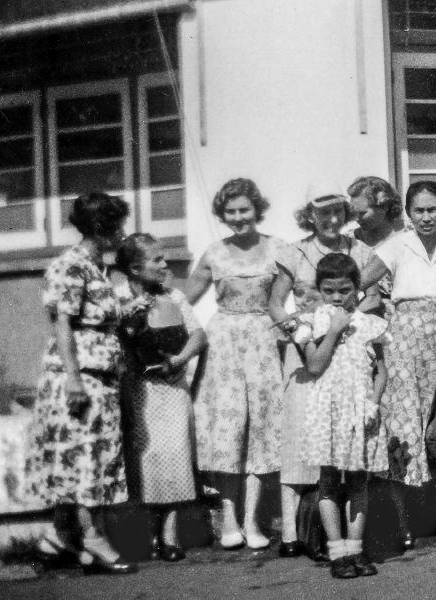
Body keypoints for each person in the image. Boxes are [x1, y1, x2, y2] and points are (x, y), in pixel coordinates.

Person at [24, 192, 137, 575]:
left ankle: (61, 538)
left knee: (84, 457)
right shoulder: (69, 265)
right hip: (80, 377)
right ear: (102, 229)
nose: (123, 234)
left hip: (100, 376)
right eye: (118, 227)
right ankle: (92, 538)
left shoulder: (95, 266)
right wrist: (74, 379)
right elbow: (62, 323)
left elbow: (97, 316)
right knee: (87, 458)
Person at [362, 181, 436, 543]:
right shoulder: (396, 245)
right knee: (404, 426)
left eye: (433, 209)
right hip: (404, 343)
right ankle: (401, 521)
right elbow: (358, 282)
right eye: (419, 210)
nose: (426, 217)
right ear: (408, 213)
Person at [269, 186, 376, 553]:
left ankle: (336, 540)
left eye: (337, 213)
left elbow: (373, 295)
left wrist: (351, 312)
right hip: (307, 350)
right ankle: (295, 535)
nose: (331, 221)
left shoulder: (359, 250)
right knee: (304, 440)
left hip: (350, 354)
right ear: (310, 217)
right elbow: (276, 304)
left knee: (346, 455)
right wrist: (298, 330)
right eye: (323, 214)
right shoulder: (296, 252)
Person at [184, 178, 287, 554]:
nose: (238, 217)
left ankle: (253, 520)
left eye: (244, 210)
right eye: (230, 211)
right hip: (224, 345)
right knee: (228, 430)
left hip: (263, 339)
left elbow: (293, 294)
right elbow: (182, 300)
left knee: (261, 428)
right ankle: (228, 518)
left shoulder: (278, 248)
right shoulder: (214, 252)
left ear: (256, 210)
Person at [116, 234, 206, 563]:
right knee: (147, 458)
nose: (165, 265)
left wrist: (179, 360)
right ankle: (149, 534)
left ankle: (169, 534)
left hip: (172, 387)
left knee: (176, 458)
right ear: (136, 268)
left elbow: (198, 334)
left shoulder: (174, 296)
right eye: (157, 260)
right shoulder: (118, 301)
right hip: (140, 390)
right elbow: (119, 344)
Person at [298, 253, 389, 578]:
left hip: (359, 410)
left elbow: (380, 372)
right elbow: (314, 366)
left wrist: (373, 403)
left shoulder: (370, 324)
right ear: (320, 289)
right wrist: (334, 331)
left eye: (345, 290)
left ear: (357, 289)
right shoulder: (311, 322)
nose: (337, 297)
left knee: (357, 482)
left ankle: (355, 549)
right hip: (328, 412)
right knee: (328, 482)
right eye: (329, 290)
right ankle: (337, 553)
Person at [348, 175, 406, 314]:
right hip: (361, 316)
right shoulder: (350, 240)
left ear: (384, 207)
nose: (356, 219)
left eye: (362, 213)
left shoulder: (407, 238)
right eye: (353, 213)